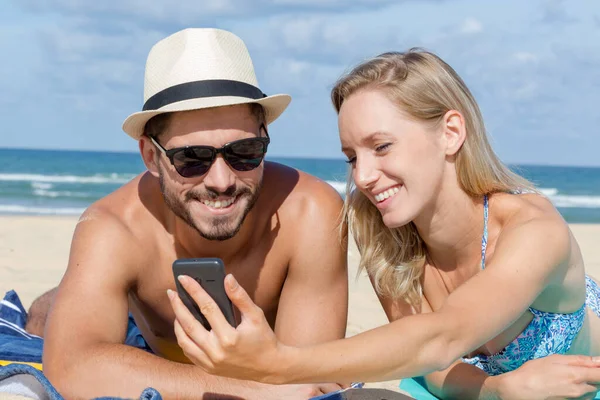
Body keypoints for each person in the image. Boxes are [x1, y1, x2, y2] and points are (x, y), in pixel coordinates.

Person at [167, 49, 600, 400]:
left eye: (382, 146)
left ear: (450, 133)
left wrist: (277, 363)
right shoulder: (381, 231)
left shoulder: (532, 229)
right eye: (353, 156)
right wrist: (499, 389)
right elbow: (432, 365)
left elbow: (441, 338)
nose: (362, 176)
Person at [41, 28, 349, 399]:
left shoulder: (311, 213)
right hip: (152, 344)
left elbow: (312, 382)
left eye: (244, 151)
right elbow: (70, 367)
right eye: (192, 158)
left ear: (265, 140)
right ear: (151, 156)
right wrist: (255, 391)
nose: (222, 180)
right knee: (43, 320)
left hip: (165, 363)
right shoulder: (114, 227)